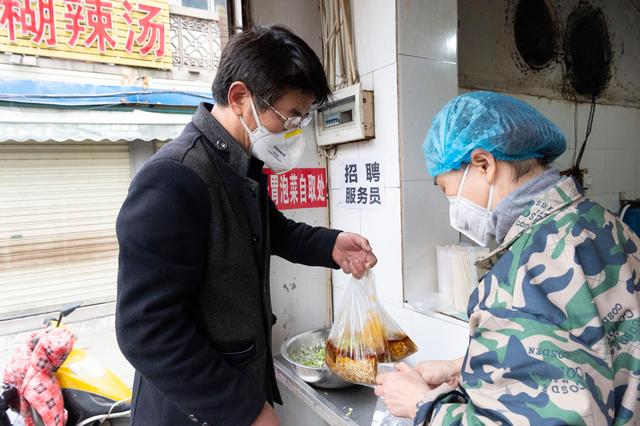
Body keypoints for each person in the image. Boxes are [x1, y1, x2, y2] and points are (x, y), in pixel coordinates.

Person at [115, 25, 377, 426]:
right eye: (291, 115)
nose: (295, 129)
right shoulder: (175, 178)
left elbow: (274, 230)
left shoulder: (237, 168)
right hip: (191, 412)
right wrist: (245, 410)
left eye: (302, 118)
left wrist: (331, 244)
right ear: (240, 98)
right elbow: (147, 330)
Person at [375, 91, 640, 425]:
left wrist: (422, 405)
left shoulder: (525, 271)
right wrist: (463, 365)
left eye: (447, 190)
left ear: (484, 165)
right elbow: (588, 345)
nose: (452, 208)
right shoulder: (604, 224)